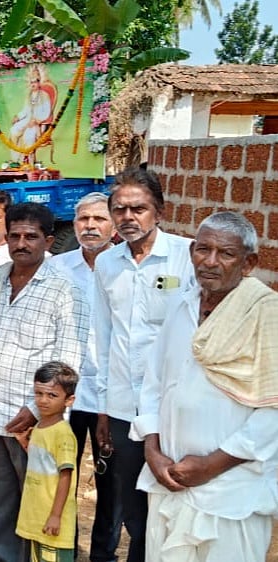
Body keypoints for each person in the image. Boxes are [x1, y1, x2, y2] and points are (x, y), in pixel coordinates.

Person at [132, 211, 278, 562]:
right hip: (169, 481)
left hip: (231, 493)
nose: (210, 262)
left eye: (225, 253)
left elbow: (272, 412)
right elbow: (154, 383)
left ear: (248, 263)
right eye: (202, 250)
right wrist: (152, 448)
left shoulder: (265, 315)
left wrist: (213, 464)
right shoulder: (181, 305)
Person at [0, 202, 88, 562]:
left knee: (37, 499)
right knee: (0, 498)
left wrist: (36, 409)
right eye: (15, 235)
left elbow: (68, 360)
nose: (21, 243)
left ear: (48, 241)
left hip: (36, 422)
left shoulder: (64, 288)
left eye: (31, 237)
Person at [93, 167, 194, 562]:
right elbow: (103, 338)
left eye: (139, 208)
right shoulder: (107, 264)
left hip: (171, 408)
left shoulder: (185, 258)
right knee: (132, 503)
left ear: (160, 212)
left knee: (169, 501)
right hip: (122, 406)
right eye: (119, 209)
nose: (128, 217)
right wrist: (103, 404)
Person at [50, 192, 121, 562]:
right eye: (83, 220)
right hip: (67, 395)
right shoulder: (56, 267)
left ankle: (103, 556)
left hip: (112, 396)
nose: (90, 226)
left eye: (99, 219)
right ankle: (65, 552)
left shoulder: (126, 268)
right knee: (64, 477)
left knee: (111, 483)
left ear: (113, 225)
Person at [17, 361, 79, 562]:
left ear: (69, 400)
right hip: (37, 517)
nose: (43, 400)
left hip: (53, 522)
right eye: (39, 394)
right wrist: (26, 443)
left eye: (52, 395)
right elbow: (44, 462)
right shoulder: (40, 427)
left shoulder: (63, 434)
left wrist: (55, 515)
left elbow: (65, 476)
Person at [9, 64, 57, 164]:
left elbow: (47, 113)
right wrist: (18, 117)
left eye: (35, 81)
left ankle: (29, 163)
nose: (33, 84)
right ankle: (16, 159)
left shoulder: (44, 95)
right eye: (31, 82)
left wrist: (36, 121)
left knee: (28, 136)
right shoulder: (29, 95)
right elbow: (25, 110)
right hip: (28, 120)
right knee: (13, 130)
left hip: (39, 123)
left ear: (39, 82)